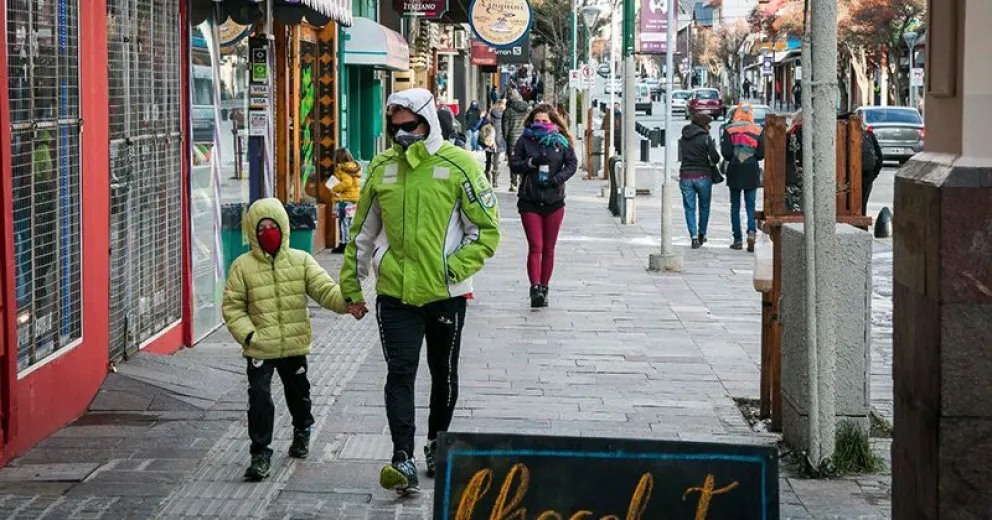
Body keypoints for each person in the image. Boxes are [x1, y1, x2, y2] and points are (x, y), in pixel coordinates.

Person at [339, 88, 501, 495]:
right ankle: (402, 458)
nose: (402, 134)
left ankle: (435, 442)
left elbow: (486, 230)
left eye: (409, 126)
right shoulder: (382, 168)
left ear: (427, 122)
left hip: (446, 294)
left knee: (443, 372)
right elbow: (361, 232)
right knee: (400, 373)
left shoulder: (460, 165)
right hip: (395, 294)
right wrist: (352, 286)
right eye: (394, 127)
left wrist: (452, 269)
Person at [222, 198, 350, 482]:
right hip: (260, 346)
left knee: (298, 393)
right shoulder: (242, 266)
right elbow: (233, 307)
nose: (267, 232)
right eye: (261, 228)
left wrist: (348, 302)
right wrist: (249, 335)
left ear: (284, 227)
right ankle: (260, 453)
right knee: (259, 399)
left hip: (293, 344)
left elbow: (324, 290)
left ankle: (302, 429)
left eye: (272, 226)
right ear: (252, 232)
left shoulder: (301, 260)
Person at [509, 104, 578, 308]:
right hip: (529, 200)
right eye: (537, 121)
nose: (540, 124)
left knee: (549, 248)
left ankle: (545, 287)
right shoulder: (525, 140)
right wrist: (532, 162)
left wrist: (556, 180)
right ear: (531, 122)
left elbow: (572, 164)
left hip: (554, 200)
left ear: (552, 122)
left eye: (544, 121)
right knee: (535, 245)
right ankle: (535, 288)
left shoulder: (560, 141)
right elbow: (514, 164)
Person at [721, 103, 765, 252]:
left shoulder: (729, 129)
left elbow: (726, 153)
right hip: (751, 169)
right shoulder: (758, 130)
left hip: (735, 169)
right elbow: (761, 153)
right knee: (750, 205)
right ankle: (751, 232)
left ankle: (737, 239)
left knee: (735, 206)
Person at [678, 113, 720, 248]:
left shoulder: (684, 137)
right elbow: (716, 158)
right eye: (708, 125)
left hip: (686, 176)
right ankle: (702, 232)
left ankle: (694, 237)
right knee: (704, 207)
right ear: (703, 125)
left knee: (689, 208)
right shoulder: (706, 138)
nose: (709, 127)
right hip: (703, 176)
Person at [503, 86, 531, 192]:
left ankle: (513, 183)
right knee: (524, 160)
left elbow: (505, 127)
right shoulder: (528, 110)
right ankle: (523, 181)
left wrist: (506, 138)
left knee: (513, 161)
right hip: (525, 139)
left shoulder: (508, 111)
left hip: (513, 140)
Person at [488, 100, 507, 187]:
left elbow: (485, 124)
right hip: (499, 138)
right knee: (496, 159)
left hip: (489, 138)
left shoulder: (491, 112)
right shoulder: (505, 114)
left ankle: (487, 176)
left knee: (488, 158)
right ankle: (495, 180)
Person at [479, 111, 499, 186]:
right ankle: (494, 181)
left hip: (488, 144)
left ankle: (488, 179)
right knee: (495, 161)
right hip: (497, 144)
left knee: (489, 161)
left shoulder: (487, 125)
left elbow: (482, 135)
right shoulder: (500, 124)